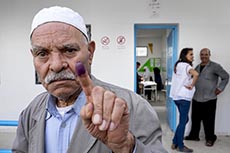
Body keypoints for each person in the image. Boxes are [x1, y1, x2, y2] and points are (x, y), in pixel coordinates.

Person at [12, 6, 168, 153]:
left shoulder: (132, 107)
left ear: (90, 53)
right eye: (42, 54)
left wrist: (126, 146)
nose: (56, 65)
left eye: (69, 50)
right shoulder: (31, 112)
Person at [184, 48, 229, 147]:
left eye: (206, 54)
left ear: (209, 55)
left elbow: (226, 76)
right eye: (202, 54)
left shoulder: (215, 66)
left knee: (209, 120)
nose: (203, 56)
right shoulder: (197, 67)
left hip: (209, 99)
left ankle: (210, 138)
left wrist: (220, 88)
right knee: (195, 119)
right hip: (197, 98)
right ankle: (194, 135)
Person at [169, 48, 199, 152]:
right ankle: (180, 146)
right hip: (184, 97)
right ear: (184, 55)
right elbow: (196, 74)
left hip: (176, 96)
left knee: (184, 120)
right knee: (183, 121)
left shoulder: (178, 65)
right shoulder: (187, 66)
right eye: (191, 54)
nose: (193, 56)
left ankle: (174, 142)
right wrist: (192, 85)